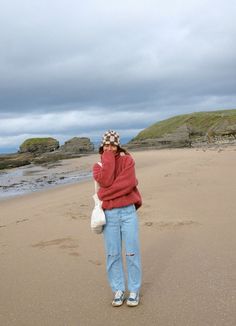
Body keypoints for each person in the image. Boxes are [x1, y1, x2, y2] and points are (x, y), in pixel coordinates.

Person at [93, 130, 142, 307]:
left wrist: (104, 194)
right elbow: (105, 181)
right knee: (112, 254)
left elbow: (128, 184)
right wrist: (108, 158)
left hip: (128, 212)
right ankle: (118, 289)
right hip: (110, 216)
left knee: (132, 253)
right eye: (106, 145)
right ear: (102, 146)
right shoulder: (98, 166)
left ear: (118, 146)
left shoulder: (127, 161)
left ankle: (134, 290)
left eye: (113, 145)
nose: (110, 148)